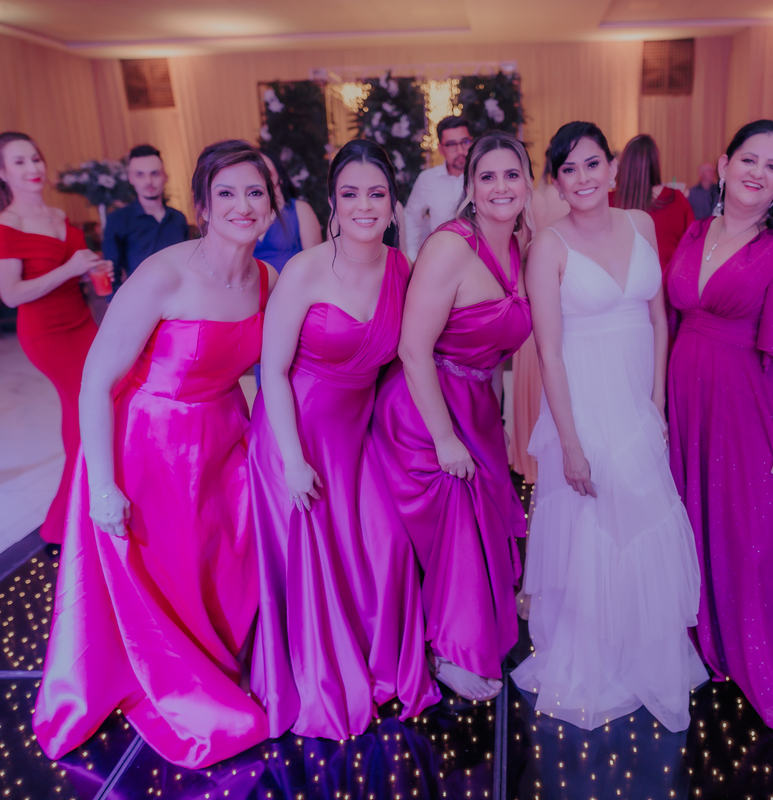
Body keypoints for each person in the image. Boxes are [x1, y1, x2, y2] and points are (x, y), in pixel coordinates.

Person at [32, 140, 279, 769]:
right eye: (226, 193)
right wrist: (103, 486)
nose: (243, 205)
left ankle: (215, 657)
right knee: (161, 569)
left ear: (272, 204)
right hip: (151, 445)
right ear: (202, 206)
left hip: (224, 436)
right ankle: (173, 680)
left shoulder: (266, 280)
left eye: (255, 192)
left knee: (224, 558)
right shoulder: (163, 274)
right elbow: (96, 381)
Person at [511, 120, 706, 732]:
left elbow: (658, 319)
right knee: (595, 525)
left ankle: (644, 656)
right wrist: (570, 443)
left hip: (638, 402)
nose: (583, 178)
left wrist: (657, 401)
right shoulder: (549, 247)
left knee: (644, 519)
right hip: (584, 403)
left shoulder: (640, 224)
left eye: (592, 163)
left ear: (613, 168)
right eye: (568, 169)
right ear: (556, 182)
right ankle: (595, 662)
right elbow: (549, 353)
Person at [247, 138, 439, 741]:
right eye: (351, 194)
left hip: (357, 437)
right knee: (318, 562)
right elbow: (272, 370)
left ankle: (381, 661)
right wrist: (293, 460)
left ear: (393, 203)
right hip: (294, 433)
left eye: (376, 194)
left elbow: (416, 352)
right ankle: (323, 677)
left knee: (388, 549)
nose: (364, 206)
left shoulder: (403, 269)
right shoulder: (305, 270)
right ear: (332, 202)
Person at [665, 119, 773, 734]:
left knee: (753, 527)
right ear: (724, 163)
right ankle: (705, 633)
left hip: (753, 404)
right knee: (693, 521)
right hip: (689, 403)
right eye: (749, 159)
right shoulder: (695, 231)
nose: (758, 172)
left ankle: (756, 649)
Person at [360, 131, 533, 702]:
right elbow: (413, 349)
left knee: (489, 506)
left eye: (512, 175)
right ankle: (453, 649)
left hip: (478, 404)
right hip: (422, 405)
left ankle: (476, 627)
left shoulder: (522, 246)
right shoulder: (450, 247)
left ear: (528, 184)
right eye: (488, 177)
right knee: (457, 506)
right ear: (470, 188)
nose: (501, 187)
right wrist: (443, 437)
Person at [0, 131, 109, 544]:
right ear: (1, 173)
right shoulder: (7, 226)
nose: (33, 168)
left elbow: (77, 275)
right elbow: (11, 295)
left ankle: (97, 502)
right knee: (85, 412)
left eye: (36, 159)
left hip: (82, 322)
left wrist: (92, 271)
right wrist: (69, 268)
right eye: (20, 162)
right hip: (46, 333)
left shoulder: (59, 215)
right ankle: (65, 523)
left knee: (106, 402)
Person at [510, 155, 569, 486]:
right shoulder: (569, 199)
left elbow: (518, 248)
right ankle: (554, 458)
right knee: (555, 370)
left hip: (530, 290)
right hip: (561, 293)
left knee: (534, 377)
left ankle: (528, 459)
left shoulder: (530, 200)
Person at [101, 144, 189, 290]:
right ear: (131, 178)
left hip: (182, 296)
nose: (148, 181)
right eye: (140, 175)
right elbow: (112, 274)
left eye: (155, 173)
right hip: (140, 299)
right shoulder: (117, 220)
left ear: (165, 176)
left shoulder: (178, 218)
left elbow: (189, 264)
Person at [610, 134, 695, 270]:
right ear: (655, 163)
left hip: (620, 281)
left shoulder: (608, 202)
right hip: (668, 279)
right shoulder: (676, 199)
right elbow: (692, 247)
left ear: (625, 164)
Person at [402, 116, 472, 261]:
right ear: (441, 149)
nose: (460, 151)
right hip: (442, 258)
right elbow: (412, 219)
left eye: (465, 142)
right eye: (451, 145)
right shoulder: (427, 179)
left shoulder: (485, 176)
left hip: (480, 258)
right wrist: (412, 257)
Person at [254, 147, 323, 272]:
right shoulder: (244, 213)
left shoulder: (300, 209)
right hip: (254, 284)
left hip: (295, 282)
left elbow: (316, 262)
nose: (262, 174)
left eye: (266, 169)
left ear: (279, 174)